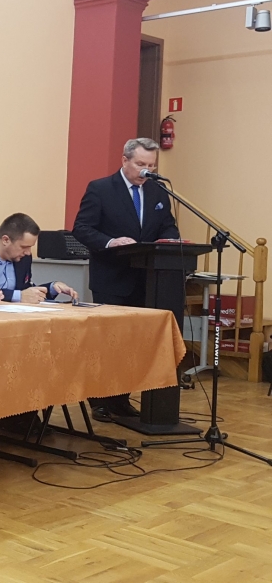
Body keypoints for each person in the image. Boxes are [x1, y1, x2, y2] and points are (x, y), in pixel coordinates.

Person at [73, 137, 180, 422]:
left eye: (152, 165)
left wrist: (171, 241)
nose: (147, 171)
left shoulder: (157, 191)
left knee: (133, 344)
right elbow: (82, 228)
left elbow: (168, 226)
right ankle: (100, 400)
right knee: (108, 343)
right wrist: (110, 242)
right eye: (141, 164)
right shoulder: (101, 188)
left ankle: (121, 400)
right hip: (111, 278)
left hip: (146, 278)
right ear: (125, 160)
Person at [0, 212, 79, 434]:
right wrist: (18, 296)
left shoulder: (22, 257)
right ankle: (9, 415)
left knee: (42, 351)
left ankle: (23, 414)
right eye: (24, 247)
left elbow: (26, 289)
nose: (28, 253)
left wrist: (51, 288)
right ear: (6, 240)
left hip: (17, 326)